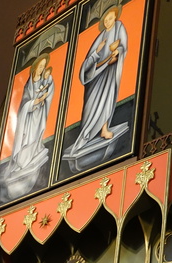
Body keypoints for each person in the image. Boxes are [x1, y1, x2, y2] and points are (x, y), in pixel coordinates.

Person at [70, 6, 128, 153]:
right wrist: (97, 52)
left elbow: (123, 46)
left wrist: (117, 52)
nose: (107, 22)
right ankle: (86, 133)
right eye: (105, 20)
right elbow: (89, 61)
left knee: (107, 99)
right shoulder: (100, 37)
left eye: (110, 18)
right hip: (96, 75)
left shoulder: (119, 27)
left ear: (115, 18)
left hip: (109, 71)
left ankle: (104, 129)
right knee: (92, 105)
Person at [8, 54, 54, 176]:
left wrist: (44, 97)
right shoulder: (28, 85)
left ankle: (34, 154)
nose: (41, 69)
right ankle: (23, 162)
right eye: (40, 66)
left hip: (38, 115)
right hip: (28, 118)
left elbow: (48, 90)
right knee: (27, 139)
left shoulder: (44, 81)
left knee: (36, 136)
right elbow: (24, 104)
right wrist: (34, 102)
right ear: (35, 67)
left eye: (43, 66)